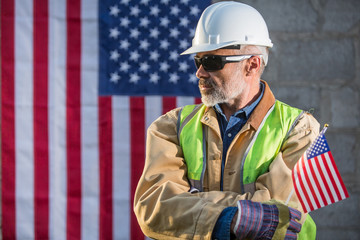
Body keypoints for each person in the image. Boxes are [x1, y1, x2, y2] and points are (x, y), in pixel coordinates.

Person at [134, 1, 320, 239]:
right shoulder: (170, 127)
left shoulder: (300, 129)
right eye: (197, 61)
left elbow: (283, 214)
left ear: (251, 64)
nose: (199, 72)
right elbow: (154, 209)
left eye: (212, 62)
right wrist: (230, 219)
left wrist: (192, 206)